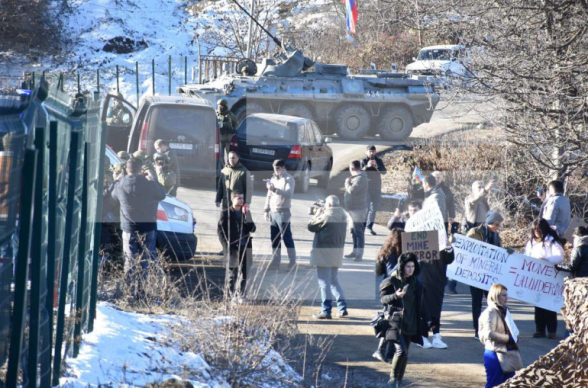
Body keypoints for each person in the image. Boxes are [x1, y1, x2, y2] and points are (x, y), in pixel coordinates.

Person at [112, 157, 166, 290]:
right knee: (145, 261)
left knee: (130, 261)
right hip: (148, 227)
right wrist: (154, 180)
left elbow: (113, 197)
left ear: (126, 170)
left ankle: (129, 291)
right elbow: (161, 195)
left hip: (129, 227)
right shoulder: (149, 185)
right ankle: (142, 291)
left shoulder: (120, 185)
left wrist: (117, 180)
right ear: (141, 170)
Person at [379, 253, 424, 388]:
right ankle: (392, 380)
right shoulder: (392, 281)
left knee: (405, 354)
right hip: (395, 322)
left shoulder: (416, 284)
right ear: (402, 267)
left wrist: (428, 320)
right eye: (408, 266)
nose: (411, 269)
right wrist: (395, 295)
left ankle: (399, 380)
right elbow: (383, 299)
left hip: (411, 323)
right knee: (401, 351)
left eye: (413, 266)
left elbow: (421, 305)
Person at [467, 211, 508, 339]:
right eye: (496, 224)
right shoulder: (475, 232)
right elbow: (469, 250)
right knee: (477, 303)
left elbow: (499, 251)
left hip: (490, 276)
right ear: (490, 223)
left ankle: (495, 328)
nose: (498, 227)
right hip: (476, 274)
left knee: (494, 301)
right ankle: (477, 330)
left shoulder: (496, 235)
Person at [308, 195, 349, 319]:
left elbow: (311, 226)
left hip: (324, 253)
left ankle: (326, 311)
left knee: (324, 283)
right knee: (333, 281)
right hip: (336, 253)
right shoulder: (343, 216)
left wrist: (317, 215)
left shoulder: (326, 216)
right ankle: (342, 308)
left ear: (329, 205)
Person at [524, 219, 564, 339]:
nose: (536, 231)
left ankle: (551, 330)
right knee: (538, 304)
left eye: (538, 229)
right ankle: (540, 329)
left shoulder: (551, 241)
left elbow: (560, 256)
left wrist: (547, 261)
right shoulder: (531, 242)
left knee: (549, 305)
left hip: (549, 277)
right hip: (536, 278)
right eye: (534, 229)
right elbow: (526, 256)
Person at [479, 283, 521, 388]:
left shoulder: (504, 310)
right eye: (503, 295)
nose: (506, 298)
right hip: (494, 354)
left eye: (506, 295)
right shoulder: (490, 312)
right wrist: (508, 338)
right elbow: (489, 333)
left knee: (508, 384)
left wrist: (515, 336)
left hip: (506, 352)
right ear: (495, 296)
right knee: (494, 384)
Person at [217, 191, 256, 297]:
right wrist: (226, 246)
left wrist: (247, 218)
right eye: (238, 198)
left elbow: (253, 229)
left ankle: (242, 295)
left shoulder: (246, 212)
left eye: (242, 198)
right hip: (233, 248)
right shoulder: (225, 213)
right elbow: (220, 231)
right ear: (232, 199)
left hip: (245, 247)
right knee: (232, 275)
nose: (241, 200)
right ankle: (229, 297)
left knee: (245, 274)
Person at [418, 240, 455, 349]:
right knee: (424, 308)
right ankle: (423, 336)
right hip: (424, 280)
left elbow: (449, 260)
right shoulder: (422, 241)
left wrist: (449, 247)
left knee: (436, 307)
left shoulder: (442, 242)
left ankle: (436, 335)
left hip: (438, 281)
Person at [264, 159, 297, 271]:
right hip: (273, 212)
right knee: (275, 238)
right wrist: (266, 210)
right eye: (274, 168)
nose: (276, 170)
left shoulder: (289, 179)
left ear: (283, 168)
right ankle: (275, 262)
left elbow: (288, 194)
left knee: (287, 237)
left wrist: (274, 189)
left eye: (278, 168)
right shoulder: (273, 178)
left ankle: (292, 262)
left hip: (283, 212)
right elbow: (269, 195)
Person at [344, 160, 369, 262]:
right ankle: (355, 251)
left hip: (358, 209)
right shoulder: (357, 178)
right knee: (353, 231)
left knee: (358, 232)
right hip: (353, 209)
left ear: (352, 169)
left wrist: (347, 183)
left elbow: (352, 190)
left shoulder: (360, 179)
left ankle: (359, 254)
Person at [361, 145, 386, 236]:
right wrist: (366, 167)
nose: (372, 153)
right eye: (370, 151)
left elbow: (384, 172)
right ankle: (362, 227)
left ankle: (369, 227)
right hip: (366, 188)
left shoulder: (379, 161)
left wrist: (377, 166)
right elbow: (358, 173)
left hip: (376, 188)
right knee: (366, 208)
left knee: (374, 209)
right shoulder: (363, 161)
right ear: (366, 152)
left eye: (373, 151)